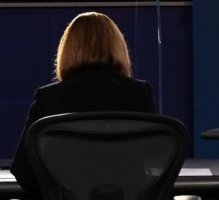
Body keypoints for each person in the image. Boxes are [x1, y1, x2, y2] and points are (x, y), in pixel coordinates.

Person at [10, 12, 156, 197]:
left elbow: (24, 171)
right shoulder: (140, 93)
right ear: (119, 48)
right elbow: (155, 160)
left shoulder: (49, 97)